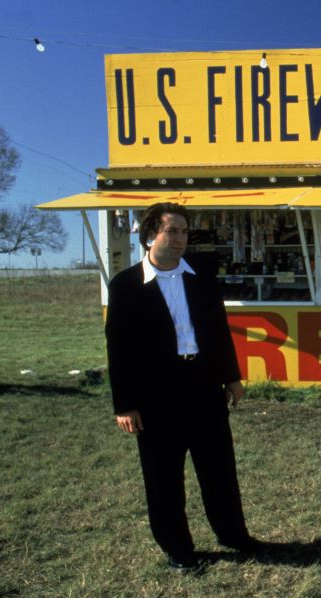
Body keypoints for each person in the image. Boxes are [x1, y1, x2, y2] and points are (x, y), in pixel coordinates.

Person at [105, 202, 256, 571]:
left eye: (184, 232)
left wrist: (232, 376)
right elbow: (118, 348)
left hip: (203, 386)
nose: (180, 239)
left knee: (219, 470)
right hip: (156, 395)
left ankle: (234, 535)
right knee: (163, 478)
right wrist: (124, 405)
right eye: (172, 231)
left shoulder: (201, 275)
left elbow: (219, 330)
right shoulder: (126, 286)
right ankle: (179, 550)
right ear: (149, 234)